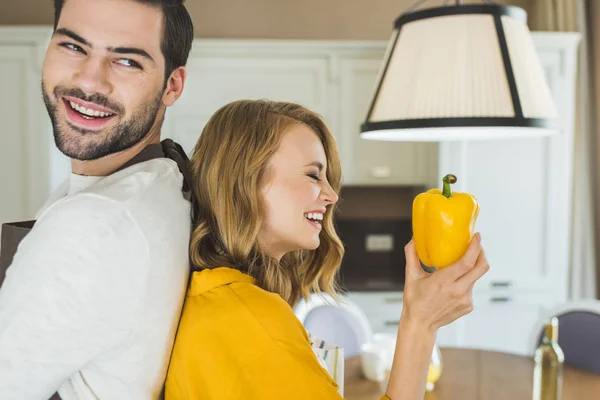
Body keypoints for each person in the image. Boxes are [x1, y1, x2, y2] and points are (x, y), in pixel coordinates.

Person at [164, 100, 490, 400]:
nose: (332, 196)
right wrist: (420, 324)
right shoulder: (251, 319)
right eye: (313, 175)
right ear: (245, 181)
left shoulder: (220, 298)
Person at [0, 0, 194, 399]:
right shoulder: (164, 178)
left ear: (172, 86)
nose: (89, 82)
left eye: (126, 62)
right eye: (73, 47)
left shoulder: (94, 223)